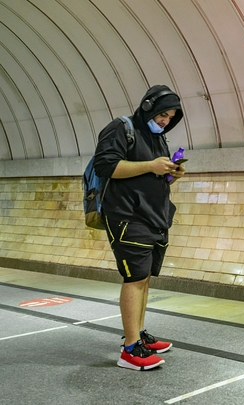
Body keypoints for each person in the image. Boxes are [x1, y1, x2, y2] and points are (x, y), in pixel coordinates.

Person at [93, 85, 185, 371]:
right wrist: (150, 166)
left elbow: (152, 174)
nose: (165, 121)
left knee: (144, 277)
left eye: (170, 117)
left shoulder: (157, 138)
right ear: (148, 107)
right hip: (127, 215)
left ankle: (139, 334)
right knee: (134, 278)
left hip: (154, 217)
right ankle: (130, 349)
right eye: (162, 114)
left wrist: (171, 173)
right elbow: (104, 166)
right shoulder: (122, 128)